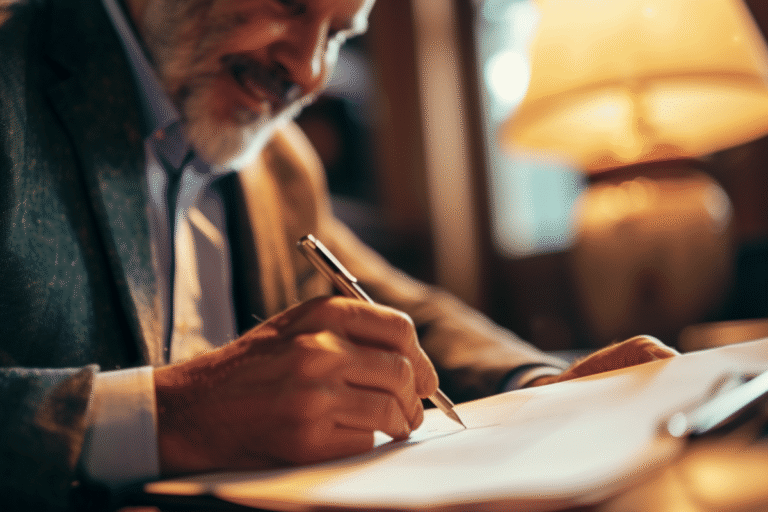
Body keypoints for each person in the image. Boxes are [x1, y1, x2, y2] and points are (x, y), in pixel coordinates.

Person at [0, 0, 678, 509]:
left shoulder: (281, 165)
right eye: (291, 7)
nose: (310, 70)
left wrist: (543, 391)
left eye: (338, 33)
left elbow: (402, 313)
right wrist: (171, 416)